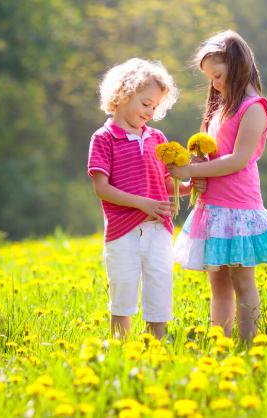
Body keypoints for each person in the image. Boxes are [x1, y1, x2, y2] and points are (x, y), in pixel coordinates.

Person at [168, 31, 267, 342]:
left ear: (237, 65)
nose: (215, 84)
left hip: (238, 206)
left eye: (218, 75)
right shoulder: (221, 108)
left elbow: (237, 160)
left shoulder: (254, 108)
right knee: (217, 282)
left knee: (242, 279)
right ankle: (220, 342)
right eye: (210, 79)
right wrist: (189, 176)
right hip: (212, 206)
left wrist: (191, 169)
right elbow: (212, 155)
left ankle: (248, 344)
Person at [87, 58, 206, 339]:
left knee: (159, 284)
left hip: (158, 229)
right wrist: (142, 204)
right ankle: (121, 344)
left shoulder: (156, 138)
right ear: (123, 94)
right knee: (123, 286)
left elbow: (164, 183)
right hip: (122, 231)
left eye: (155, 107)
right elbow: (102, 188)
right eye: (145, 104)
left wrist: (188, 187)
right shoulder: (104, 138)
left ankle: (157, 342)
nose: (150, 112)